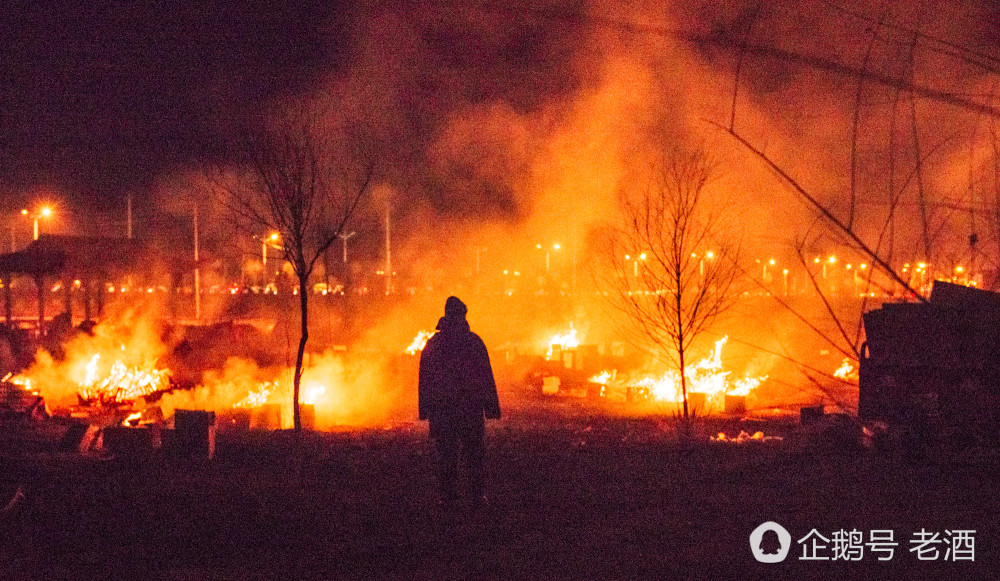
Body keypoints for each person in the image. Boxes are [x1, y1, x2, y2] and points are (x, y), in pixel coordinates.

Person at [418, 296, 501, 508]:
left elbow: (425, 379)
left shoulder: (434, 345)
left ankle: (448, 497)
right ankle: (476, 495)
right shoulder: (474, 342)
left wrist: (425, 408)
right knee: (474, 454)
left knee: (447, 454)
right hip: (469, 409)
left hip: (443, 410)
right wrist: (490, 406)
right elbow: (485, 376)